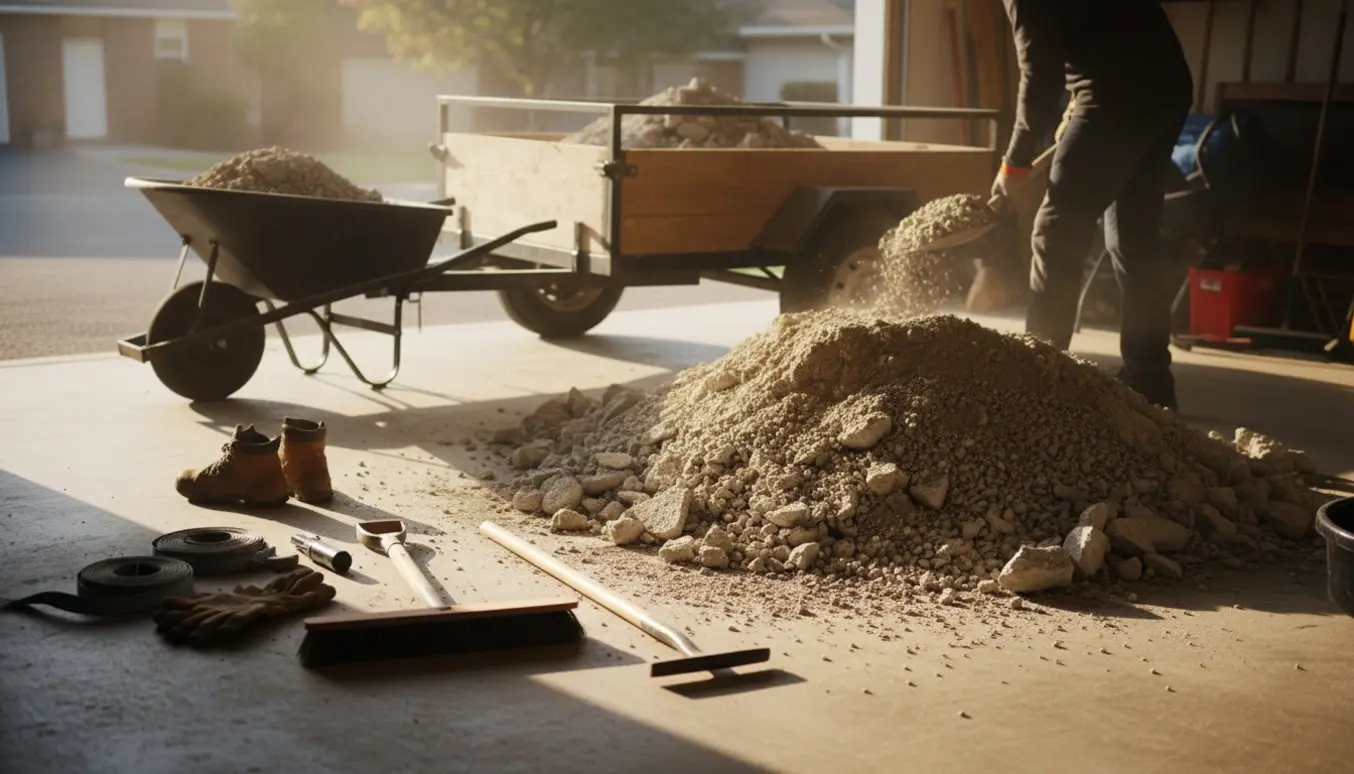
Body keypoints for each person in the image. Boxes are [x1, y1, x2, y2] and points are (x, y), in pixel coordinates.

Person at [993, 1, 1194, 410]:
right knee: (1134, 238)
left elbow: (1041, 74)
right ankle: (1150, 379)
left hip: (1114, 92)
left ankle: (1039, 380)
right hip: (1166, 84)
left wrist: (1014, 162)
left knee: (1056, 230)